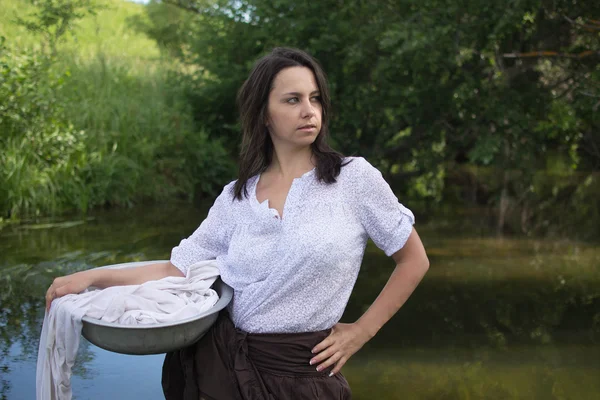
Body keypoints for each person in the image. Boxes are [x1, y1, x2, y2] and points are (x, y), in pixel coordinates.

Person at [45, 47, 429, 399]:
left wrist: (361, 331)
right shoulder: (236, 197)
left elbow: (413, 260)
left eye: (315, 99)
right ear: (264, 114)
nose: (309, 110)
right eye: (292, 100)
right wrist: (91, 277)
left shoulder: (353, 180)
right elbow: (178, 269)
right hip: (225, 370)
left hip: (306, 373)